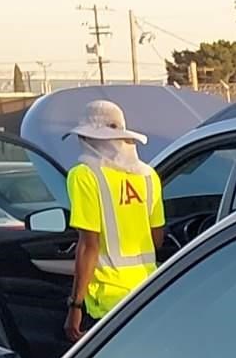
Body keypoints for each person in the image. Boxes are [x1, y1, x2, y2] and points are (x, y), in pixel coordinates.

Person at [62, 100, 164, 341]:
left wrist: (74, 306)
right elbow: (156, 239)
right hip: (148, 293)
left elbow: (89, 246)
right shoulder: (149, 176)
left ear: (90, 138)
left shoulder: (84, 175)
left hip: (106, 303)